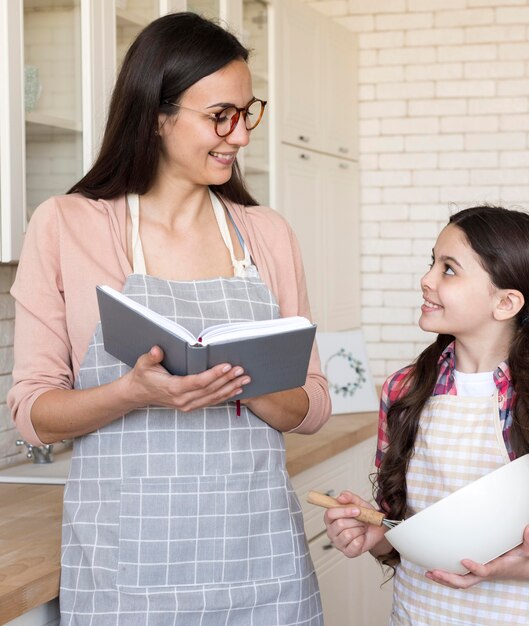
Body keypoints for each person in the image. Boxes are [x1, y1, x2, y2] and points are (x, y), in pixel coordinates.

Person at [8, 12, 330, 625]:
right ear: (157, 115)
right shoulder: (69, 226)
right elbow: (33, 413)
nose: (238, 135)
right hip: (127, 569)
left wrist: (246, 383)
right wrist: (131, 392)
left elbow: (312, 405)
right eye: (219, 116)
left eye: (246, 112)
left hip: (259, 564)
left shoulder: (266, 235)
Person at [323, 206, 529, 625]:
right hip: (419, 613)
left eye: (449, 269)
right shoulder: (403, 391)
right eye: (433, 262)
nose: (426, 280)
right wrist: (374, 534)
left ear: (505, 302)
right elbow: (402, 536)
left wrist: (524, 566)